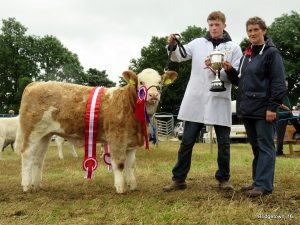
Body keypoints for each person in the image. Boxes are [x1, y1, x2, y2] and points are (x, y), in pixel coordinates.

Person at [163, 11, 242, 192]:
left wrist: (228, 69)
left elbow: (237, 77)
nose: (214, 28)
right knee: (187, 141)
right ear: (208, 26)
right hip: (196, 99)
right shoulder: (198, 43)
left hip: (220, 97)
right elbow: (179, 56)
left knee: (223, 143)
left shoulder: (233, 48)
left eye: (217, 25)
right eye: (211, 25)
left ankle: (223, 179)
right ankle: (179, 179)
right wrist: (172, 45)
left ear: (224, 25)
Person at [223, 17, 286, 197]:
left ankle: (264, 185)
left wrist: (272, 108)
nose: (252, 33)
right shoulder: (247, 54)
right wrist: (229, 71)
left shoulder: (271, 53)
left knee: (266, 147)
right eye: (249, 30)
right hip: (248, 109)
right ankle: (257, 182)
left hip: (264, 109)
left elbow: (279, 83)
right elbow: (240, 82)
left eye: (256, 30)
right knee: (256, 148)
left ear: (263, 31)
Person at [276, 80, 300, 156]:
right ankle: (279, 152)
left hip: (287, 114)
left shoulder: (284, 94)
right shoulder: (277, 93)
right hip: (281, 115)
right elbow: (278, 103)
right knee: (280, 135)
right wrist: (288, 109)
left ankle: (298, 133)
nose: (286, 87)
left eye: (287, 86)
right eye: (285, 86)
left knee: (295, 119)